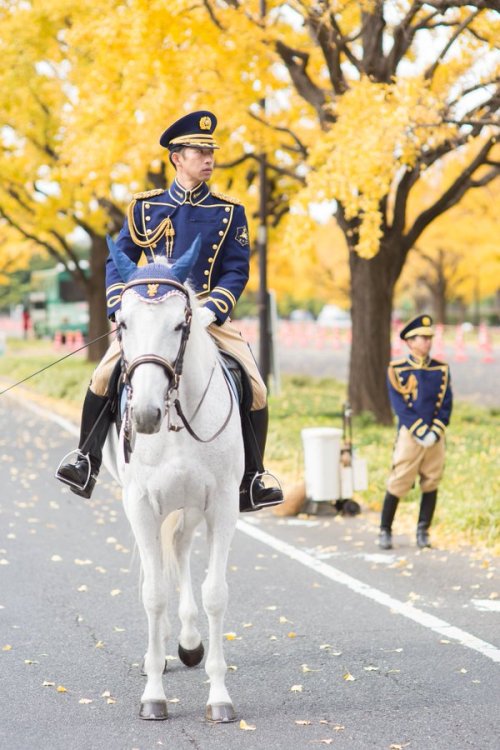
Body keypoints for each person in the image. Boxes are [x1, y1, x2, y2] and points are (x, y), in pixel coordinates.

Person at [57, 110, 283, 512]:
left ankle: (253, 477)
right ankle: (85, 459)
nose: (209, 158)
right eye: (200, 151)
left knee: (256, 386)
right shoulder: (146, 208)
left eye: (211, 151)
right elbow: (118, 261)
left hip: (210, 319)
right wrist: (119, 308)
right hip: (153, 317)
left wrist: (213, 310)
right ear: (177, 157)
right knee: (103, 376)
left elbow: (235, 269)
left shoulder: (229, 212)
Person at [378, 314, 453, 550]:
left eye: (429, 338)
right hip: (410, 435)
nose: (427, 342)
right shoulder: (397, 369)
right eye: (422, 338)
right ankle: (385, 529)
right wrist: (420, 430)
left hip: (435, 436)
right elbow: (400, 406)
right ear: (409, 341)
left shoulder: (441, 369)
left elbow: (446, 403)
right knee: (399, 480)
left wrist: (436, 430)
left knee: (431, 480)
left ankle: (423, 530)